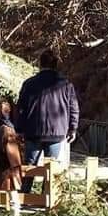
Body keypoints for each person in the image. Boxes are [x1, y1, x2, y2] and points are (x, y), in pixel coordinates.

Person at [15, 49, 80, 193]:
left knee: (30, 167)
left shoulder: (29, 84)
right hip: (57, 132)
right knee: (51, 167)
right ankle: (48, 196)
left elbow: (21, 108)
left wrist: (19, 129)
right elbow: (73, 108)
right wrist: (73, 128)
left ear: (40, 64)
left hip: (33, 131)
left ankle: (25, 195)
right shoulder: (66, 85)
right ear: (56, 64)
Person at [0, 99, 23, 216]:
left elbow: (12, 151)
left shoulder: (7, 130)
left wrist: (15, 168)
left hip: (7, 167)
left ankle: (15, 215)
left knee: (11, 191)